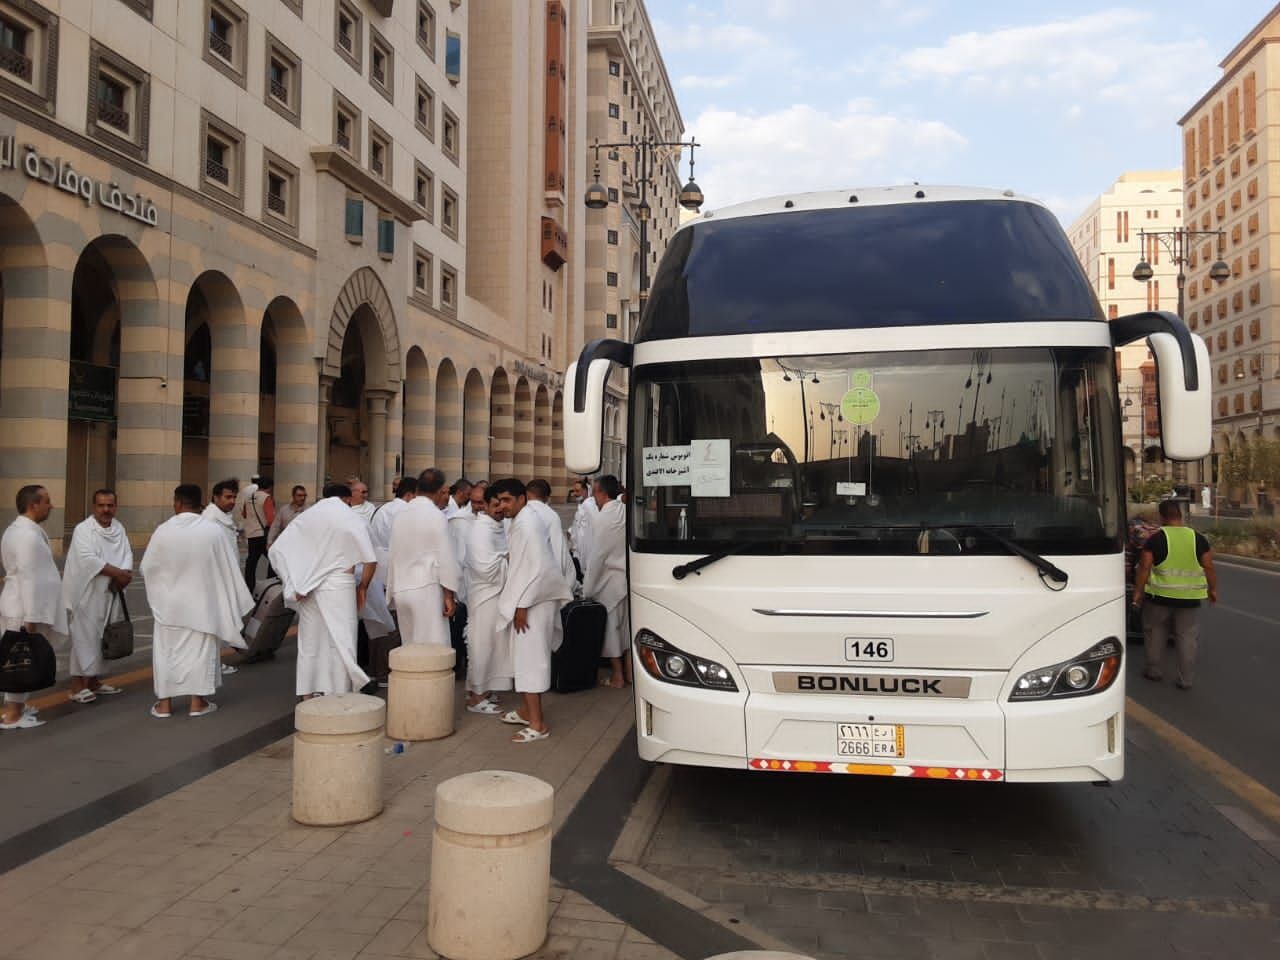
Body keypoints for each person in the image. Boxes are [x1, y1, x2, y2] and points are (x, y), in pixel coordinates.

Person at [142, 484, 254, 718]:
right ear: (200, 501)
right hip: (202, 605)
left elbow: (147, 567)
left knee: (166, 652)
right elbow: (228, 567)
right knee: (200, 652)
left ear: (177, 502)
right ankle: (197, 703)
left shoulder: (163, 530)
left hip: (169, 605)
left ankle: (164, 704)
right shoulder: (211, 531)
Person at [269, 482, 378, 699]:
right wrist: (363, 587)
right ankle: (338, 691)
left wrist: (294, 581)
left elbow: (277, 550)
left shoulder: (306, 517)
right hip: (339, 583)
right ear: (347, 499)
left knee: (310, 640)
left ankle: (307, 692)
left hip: (308, 586)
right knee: (341, 638)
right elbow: (370, 559)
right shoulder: (350, 518)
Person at [492, 478, 572, 743]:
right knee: (522, 657)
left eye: (507, 500)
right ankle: (527, 711)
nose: (502, 505)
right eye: (500, 500)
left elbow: (539, 567)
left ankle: (538, 725)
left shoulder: (527, 524)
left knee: (530, 660)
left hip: (533, 601)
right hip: (529, 598)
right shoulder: (521, 521)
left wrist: (523, 604)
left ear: (522, 499)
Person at [1131, 499, 1218, 690]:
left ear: (1162, 517)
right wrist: (1213, 590)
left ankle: (1153, 670)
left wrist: (1138, 592)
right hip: (1189, 600)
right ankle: (1186, 679)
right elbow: (1209, 566)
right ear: (1180, 516)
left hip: (1158, 598)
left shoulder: (1155, 539)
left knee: (1155, 632)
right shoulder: (1198, 538)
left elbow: (1144, 568)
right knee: (1186, 637)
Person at [0, 485, 67, 730]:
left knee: (18, 658)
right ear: (33, 505)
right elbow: (29, 576)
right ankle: (12, 715)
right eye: (47, 501)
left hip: (18, 603)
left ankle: (16, 708)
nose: (51, 506)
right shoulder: (26, 535)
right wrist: (31, 615)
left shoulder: (17, 530)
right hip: (21, 607)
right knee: (19, 660)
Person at [60, 489, 133, 703]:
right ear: (94, 507)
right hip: (87, 593)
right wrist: (119, 574)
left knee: (103, 637)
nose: (106, 510)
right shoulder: (83, 529)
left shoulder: (119, 529)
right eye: (101, 505)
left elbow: (127, 553)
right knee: (84, 637)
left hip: (112, 592)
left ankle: (93, 682)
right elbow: (87, 558)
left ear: (115, 507)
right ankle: (76, 686)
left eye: (110, 505)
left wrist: (124, 574)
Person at [386, 468, 459, 647]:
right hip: (426, 589)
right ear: (441, 490)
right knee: (433, 648)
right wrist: (449, 595)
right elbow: (446, 559)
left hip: (402, 589)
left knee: (410, 645)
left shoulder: (400, 515)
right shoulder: (436, 516)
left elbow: (393, 553)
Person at [464, 486, 512, 713]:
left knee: (495, 646)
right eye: (495, 505)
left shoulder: (498, 527)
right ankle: (476, 696)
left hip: (498, 595)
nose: (500, 510)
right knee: (481, 645)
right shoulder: (479, 530)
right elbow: (485, 567)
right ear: (484, 506)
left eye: (502, 505)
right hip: (484, 595)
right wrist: (509, 558)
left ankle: (487, 689)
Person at [583, 475, 629, 688]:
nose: (594, 497)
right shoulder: (623, 511)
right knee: (626, 628)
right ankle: (629, 673)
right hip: (626, 578)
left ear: (602, 493)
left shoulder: (605, 517)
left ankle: (618, 676)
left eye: (595, 492)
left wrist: (588, 587)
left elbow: (598, 555)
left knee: (611, 630)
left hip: (609, 580)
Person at [202, 479, 242, 676]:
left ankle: (215, 661)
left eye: (234, 497)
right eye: (228, 497)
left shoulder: (224, 517)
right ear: (215, 497)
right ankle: (211, 664)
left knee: (221, 622)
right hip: (215, 580)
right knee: (213, 624)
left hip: (226, 578)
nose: (232, 501)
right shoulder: (209, 519)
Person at [524, 478, 577, 593]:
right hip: (549, 580)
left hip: (525, 580)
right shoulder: (551, 515)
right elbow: (559, 549)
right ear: (547, 497)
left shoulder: (519, 514)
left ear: (526, 495)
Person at [239, 476, 275, 591]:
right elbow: (270, 519)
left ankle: (250, 587)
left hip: (251, 534)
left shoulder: (249, 497)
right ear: (269, 487)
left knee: (252, 562)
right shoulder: (266, 498)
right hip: (263, 534)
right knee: (273, 559)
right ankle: (270, 583)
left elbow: (244, 514)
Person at [569, 478, 599, 580]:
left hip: (587, 551)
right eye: (574, 491)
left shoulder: (589, 505)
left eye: (578, 491)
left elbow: (596, 525)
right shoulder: (583, 505)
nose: (575, 494)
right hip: (579, 550)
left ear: (586, 490)